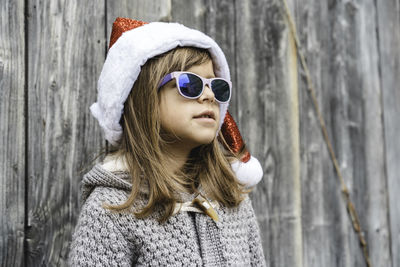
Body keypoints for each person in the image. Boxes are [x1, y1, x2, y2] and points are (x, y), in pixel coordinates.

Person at [68, 17, 266, 266]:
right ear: (144, 99)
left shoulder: (231, 198)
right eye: (190, 84)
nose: (208, 96)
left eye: (216, 87)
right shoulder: (110, 209)